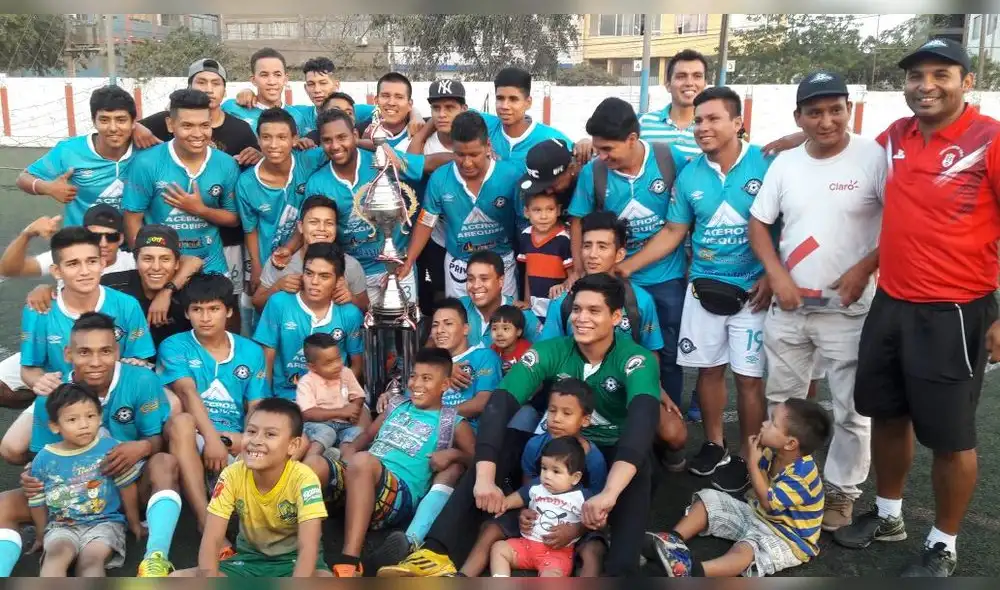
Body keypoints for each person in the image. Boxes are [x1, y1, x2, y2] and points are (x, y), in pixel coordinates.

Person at [829, 39, 1000, 577]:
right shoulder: (897, 137)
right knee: (886, 413)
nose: (926, 84)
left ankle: (944, 543)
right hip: (892, 303)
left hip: (955, 312)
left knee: (952, 438)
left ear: (966, 81)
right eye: (916, 75)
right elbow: (901, 210)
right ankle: (888, 515)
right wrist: (864, 267)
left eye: (941, 74)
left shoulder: (989, 138)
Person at [379, 274, 668, 577]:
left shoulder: (637, 359)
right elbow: (499, 404)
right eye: (577, 309)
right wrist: (485, 478)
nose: (581, 319)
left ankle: (619, 568)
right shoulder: (551, 350)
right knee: (498, 450)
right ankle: (435, 552)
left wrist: (609, 494)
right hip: (556, 445)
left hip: (613, 449)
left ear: (616, 316)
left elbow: (642, 423)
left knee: (639, 470)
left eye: (594, 311)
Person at [618, 86, 774, 494]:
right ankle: (715, 445)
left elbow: (787, 225)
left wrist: (773, 273)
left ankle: (748, 455)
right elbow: (673, 231)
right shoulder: (689, 174)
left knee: (749, 379)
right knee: (707, 371)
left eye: (713, 119)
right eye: (699, 120)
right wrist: (626, 267)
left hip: (753, 294)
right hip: (704, 289)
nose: (702, 127)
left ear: (738, 123)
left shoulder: (767, 164)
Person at [748, 71, 884, 532]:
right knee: (782, 402)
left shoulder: (874, 156)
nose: (826, 121)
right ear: (798, 117)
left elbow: (902, 224)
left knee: (851, 408)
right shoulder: (786, 163)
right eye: (814, 112)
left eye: (835, 110)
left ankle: (841, 493)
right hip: (789, 308)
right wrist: (776, 273)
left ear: (849, 109)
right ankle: (776, 482)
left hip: (848, 310)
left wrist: (864, 267)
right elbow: (758, 224)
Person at [1, 312, 182, 577]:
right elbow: (42, 459)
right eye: (84, 352)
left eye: (105, 351)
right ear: (68, 354)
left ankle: (156, 556)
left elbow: (157, 438)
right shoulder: (50, 395)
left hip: (126, 488)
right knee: (4, 504)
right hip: (68, 502)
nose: (96, 362)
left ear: (117, 351)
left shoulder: (142, 380)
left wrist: (142, 447)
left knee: (165, 462)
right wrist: (31, 476)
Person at [567, 97, 690, 407]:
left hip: (665, 278)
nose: (602, 156)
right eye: (598, 148)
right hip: (614, 283)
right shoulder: (593, 173)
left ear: (633, 139)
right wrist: (581, 269)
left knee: (667, 355)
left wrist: (630, 264)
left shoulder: (669, 159)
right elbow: (578, 220)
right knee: (615, 351)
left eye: (609, 149)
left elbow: (680, 222)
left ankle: (667, 420)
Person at [318, 347, 476, 577]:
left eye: (426, 378)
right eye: (413, 376)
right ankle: (291, 546)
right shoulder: (397, 405)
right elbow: (367, 436)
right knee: (316, 464)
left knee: (363, 462)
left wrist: (453, 455)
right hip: (361, 477)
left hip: (396, 496)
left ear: (444, 385)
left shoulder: (452, 421)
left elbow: (476, 458)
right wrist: (350, 448)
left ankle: (349, 561)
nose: (416, 383)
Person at [643, 398, 831, 578]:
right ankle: (671, 541)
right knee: (708, 500)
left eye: (772, 423)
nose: (764, 424)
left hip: (788, 538)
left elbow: (770, 504)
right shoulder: (770, 451)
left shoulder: (802, 476)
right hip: (757, 514)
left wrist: (752, 465)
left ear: (790, 444)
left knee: (746, 551)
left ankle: (692, 571)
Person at [445, 378, 609, 578]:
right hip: (537, 512)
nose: (556, 419)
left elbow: (597, 509)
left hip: (577, 522)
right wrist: (524, 512)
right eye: (552, 410)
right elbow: (529, 490)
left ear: (585, 420)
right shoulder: (534, 446)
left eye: (567, 413)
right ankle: (464, 575)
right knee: (491, 529)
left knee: (594, 551)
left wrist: (575, 530)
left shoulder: (593, 458)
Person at [159, 274, 269, 537]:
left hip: (232, 438)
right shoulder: (174, 345)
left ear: (229, 310)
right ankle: (203, 518)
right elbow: (187, 393)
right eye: (197, 309)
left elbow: (256, 406)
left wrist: (243, 440)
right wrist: (211, 439)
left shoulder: (251, 351)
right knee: (182, 422)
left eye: (213, 309)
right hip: (191, 436)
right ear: (187, 313)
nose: (205, 317)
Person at [303, 108, 450, 304]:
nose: (335, 145)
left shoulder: (383, 160)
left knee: (403, 329)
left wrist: (469, 156)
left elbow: (430, 163)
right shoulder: (317, 183)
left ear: (355, 135)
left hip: (397, 267)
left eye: (342, 137)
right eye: (327, 140)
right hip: (351, 273)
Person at [170, 398, 331, 577]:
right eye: (251, 431)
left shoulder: (304, 478)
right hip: (248, 561)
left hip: (295, 563)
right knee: (177, 579)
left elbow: (308, 546)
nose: (256, 440)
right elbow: (212, 539)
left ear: (293, 445)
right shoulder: (232, 475)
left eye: (270, 434)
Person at [401, 111, 522, 299]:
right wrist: (409, 261)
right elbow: (426, 222)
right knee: (461, 323)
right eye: (459, 154)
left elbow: (525, 224)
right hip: (459, 267)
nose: (466, 163)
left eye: (474, 154)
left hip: (502, 263)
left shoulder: (511, 175)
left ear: (488, 146)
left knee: (503, 324)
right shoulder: (440, 178)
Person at [28, 383, 144, 577]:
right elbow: (37, 500)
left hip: (104, 523)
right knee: (55, 557)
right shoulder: (44, 458)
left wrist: (134, 522)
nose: (83, 425)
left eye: (90, 416)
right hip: (61, 526)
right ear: (55, 426)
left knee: (90, 562)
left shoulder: (110, 448)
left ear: (99, 417)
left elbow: (126, 486)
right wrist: (41, 535)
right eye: (72, 419)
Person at [122, 88, 240, 276]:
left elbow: (234, 219)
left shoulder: (225, 164)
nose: (197, 133)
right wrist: (146, 265)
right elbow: (132, 219)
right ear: (170, 124)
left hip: (211, 266)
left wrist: (201, 210)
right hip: (162, 269)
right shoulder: (146, 163)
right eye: (187, 126)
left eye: (204, 125)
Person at [254, 243, 364, 399]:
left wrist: (339, 396)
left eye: (324, 276)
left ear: (339, 281)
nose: (314, 281)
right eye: (309, 273)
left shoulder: (350, 313)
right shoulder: (279, 303)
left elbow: (357, 365)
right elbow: (267, 357)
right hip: (286, 398)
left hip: (332, 401)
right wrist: (265, 400)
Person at [235, 107, 327, 295]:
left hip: (307, 257)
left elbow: (341, 147)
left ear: (295, 139)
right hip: (270, 262)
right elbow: (250, 229)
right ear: (258, 140)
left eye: (282, 137)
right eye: (266, 137)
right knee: (267, 310)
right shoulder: (246, 183)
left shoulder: (308, 160)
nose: (273, 144)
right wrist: (256, 266)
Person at [541, 212, 662, 353]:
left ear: (619, 255)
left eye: (602, 247)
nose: (592, 254)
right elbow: (546, 354)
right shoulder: (562, 301)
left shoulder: (640, 301)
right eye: (587, 246)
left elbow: (651, 354)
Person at [16, 86, 136, 226]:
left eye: (121, 120)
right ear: (94, 121)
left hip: (130, 243)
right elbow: (23, 179)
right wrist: (48, 188)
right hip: (80, 242)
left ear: (134, 122)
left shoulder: (145, 149)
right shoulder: (69, 150)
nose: (113, 128)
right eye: (104, 120)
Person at [407, 78, 470, 314]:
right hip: (435, 234)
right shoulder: (424, 142)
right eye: (436, 108)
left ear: (463, 109)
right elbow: (411, 166)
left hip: (471, 233)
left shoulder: (477, 135)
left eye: (449, 108)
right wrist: (424, 130)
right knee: (438, 294)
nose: (442, 114)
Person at [488, 437, 591, 578]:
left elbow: (594, 521)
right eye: (544, 468)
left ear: (575, 477)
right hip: (525, 546)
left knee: (552, 577)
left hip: (557, 554)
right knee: (498, 548)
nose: (547, 476)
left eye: (556, 471)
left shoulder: (582, 497)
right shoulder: (537, 486)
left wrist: (576, 528)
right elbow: (518, 497)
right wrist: (503, 504)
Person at [134, 58, 261, 167]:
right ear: (189, 87)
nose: (209, 90)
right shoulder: (167, 120)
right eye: (201, 82)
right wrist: (135, 128)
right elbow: (120, 130)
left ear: (225, 91)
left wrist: (258, 156)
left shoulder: (240, 129)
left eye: (216, 84)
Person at [254, 196, 368, 312]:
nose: (322, 228)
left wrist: (351, 299)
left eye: (329, 223)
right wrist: (278, 287)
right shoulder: (281, 262)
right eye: (314, 222)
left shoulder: (351, 265)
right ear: (300, 226)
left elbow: (365, 308)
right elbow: (257, 304)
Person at [296, 332, 369, 458]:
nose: (337, 365)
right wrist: (341, 412)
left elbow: (358, 395)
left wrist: (354, 409)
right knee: (326, 433)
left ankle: (343, 464)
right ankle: (311, 461)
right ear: (312, 367)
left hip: (345, 424)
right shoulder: (307, 382)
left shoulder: (345, 372)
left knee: (356, 434)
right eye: (329, 363)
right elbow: (308, 413)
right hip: (318, 424)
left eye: (338, 359)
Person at [481, 67, 573, 161]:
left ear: (528, 103)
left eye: (513, 99)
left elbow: (579, 155)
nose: (505, 106)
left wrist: (585, 145)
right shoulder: (484, 126)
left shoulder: (550, 139)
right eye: (500, 98)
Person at [457, 251, 539, 347]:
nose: (475, 286)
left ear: (500, 281)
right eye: (470, 279)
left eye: (484, 279)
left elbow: (545, 352)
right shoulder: (457, 308)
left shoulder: (522, 314)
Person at [638, 49, 708, 157]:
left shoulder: (713, 129)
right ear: (668, 85)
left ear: (705, 85)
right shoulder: (642, 124)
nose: (689, 83)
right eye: (681, 76)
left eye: (697, 76)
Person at [220, 48, 306, 132]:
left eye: (278, 75)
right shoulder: (231, 108)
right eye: (264, 75)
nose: (272, 82)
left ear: (285, 79)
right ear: (253, 80)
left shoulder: (296, 117)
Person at [517, 190, 572, 322]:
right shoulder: (525, 235)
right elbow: (527, 272)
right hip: (535, 308)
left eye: (550, 209)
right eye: (537, 210)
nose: (544, 216)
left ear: (558, 210)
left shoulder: (563, 239)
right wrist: (527, 301)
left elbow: (573, 276)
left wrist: (563, 287)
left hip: (557, 308)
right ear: (526, 212)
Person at [356, 72, 418, 149]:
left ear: (410, 104)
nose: (391, 103)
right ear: (376, 101)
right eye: (385, 96)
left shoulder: (421, 131)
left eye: (399, 97)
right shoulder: (363, 131)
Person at [489, 305, 532, 374]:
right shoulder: (493, 349)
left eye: (505, 328)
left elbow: (534, 376)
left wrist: (516, 372)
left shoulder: (528, 351)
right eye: (494, 329)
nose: (499, 333)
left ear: (518, 331)